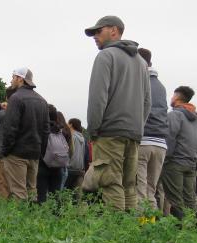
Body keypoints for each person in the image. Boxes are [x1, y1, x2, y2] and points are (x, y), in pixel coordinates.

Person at [84, 16, 151, 211]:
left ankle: (114, 235)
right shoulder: (140, 61)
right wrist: (138, 127)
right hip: (134, 133)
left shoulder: (106, 56)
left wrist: (94, 130)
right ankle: (128, 234)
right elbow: (147, 102)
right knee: (129, 185)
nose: (95, 36)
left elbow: (98, 98)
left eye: (99, 31)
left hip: (109, 133)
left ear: (114, 30)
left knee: (110, 182)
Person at [0, 67, 49, 200]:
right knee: (32, 191)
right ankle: (33, 219)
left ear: (20, 79)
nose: (11, 80)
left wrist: (5, 151)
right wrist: (40, 152)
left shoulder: (16, 98)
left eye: (13, 77)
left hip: (17, 153)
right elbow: (46, 131)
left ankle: (19, 221)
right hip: (35, 153)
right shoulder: (42, 100)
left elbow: (10, 128)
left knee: (18, 192)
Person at [161, 86, 197, 220]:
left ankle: (178, 230)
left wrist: (167, 158)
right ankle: (193, 227)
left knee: (174, 198)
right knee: (189, 198)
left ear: (177, 98)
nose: (171, 99)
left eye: (173, 96)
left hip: (175, 162)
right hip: (191, 162)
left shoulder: (174, 114)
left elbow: (169, 137)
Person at [136, 48, 168, 209]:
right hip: (161, 143)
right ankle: (152, 226)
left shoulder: (139, 82)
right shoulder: (161, 86)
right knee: (151, 190)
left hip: (143, 141)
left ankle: (140, 228)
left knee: (139, 190)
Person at [37, 105, 71, 203]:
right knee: (56, 197)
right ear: (55, 116)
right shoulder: (61, 131)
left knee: (41, 197)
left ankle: (41, 217)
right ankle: (57, 217)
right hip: (58, 167)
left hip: (42, 166)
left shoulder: (41, 129)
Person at [65, 119, 89, 195]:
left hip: (69, 168)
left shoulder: (71, 136)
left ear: (71, 125)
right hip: (80, 170)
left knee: (64, 194)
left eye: (68, 123)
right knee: (78, 197)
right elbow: (86, 155)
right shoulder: (83, 139)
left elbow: (67, 152)